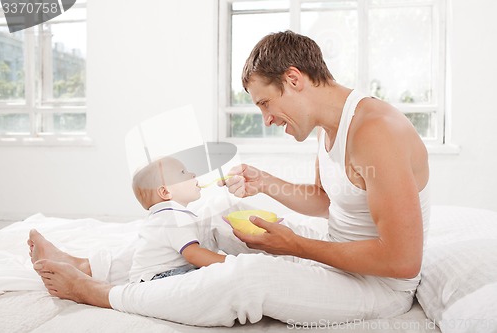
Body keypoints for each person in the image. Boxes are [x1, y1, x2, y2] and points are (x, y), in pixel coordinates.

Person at [30, 30, 430, 327]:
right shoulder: (331, 126)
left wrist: (295, 246)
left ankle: (103, 293)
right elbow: (329, 201)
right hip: (342, 256)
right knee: (222, 216)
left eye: (265, 103)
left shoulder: (376, 130)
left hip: (377, 286)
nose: (267, 119)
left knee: (247, 277)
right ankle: (90, 264)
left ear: (293, 79)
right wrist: (265, 182)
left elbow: (401, 260)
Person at [129, 156, 225, 282]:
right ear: (165, 192)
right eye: (183, 173)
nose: (192, 174)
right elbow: (193, 254)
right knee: (212, 276)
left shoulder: (161, 216)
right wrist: (228, 262)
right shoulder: (174, 217)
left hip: (145, 279)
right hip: (156, 278)